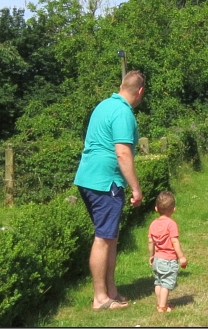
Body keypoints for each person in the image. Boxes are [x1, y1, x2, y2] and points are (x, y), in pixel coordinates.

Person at [73, 70, 145, 310]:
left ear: (121, 85)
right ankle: (100, 298)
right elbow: (122, 152)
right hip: (105, 183)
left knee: (110, 236)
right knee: (104, 238)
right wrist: (136, 188)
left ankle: (111, 291)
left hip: (87, 178)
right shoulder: (124, 113)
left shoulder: (103, 105)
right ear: (140, 92)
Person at [149, 191, 188, 313]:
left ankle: (160, 303)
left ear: (156, 208)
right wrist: (181, 257)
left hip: (157, 259)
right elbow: (175, 241)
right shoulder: (171, 224)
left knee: (158, 282)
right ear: (173, 209)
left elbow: (151, 242)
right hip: (168, 259)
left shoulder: (153, 224)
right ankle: (162, 307)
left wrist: (151, 255)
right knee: (166, 284)